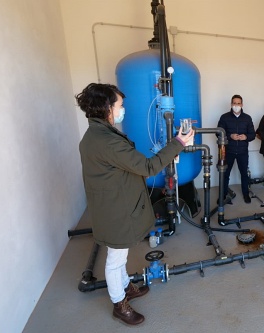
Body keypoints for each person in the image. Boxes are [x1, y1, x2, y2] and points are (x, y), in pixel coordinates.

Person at [77, 83, 194, 325]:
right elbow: (148, 167)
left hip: (113, 202)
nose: (123, 109)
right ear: (107, 108)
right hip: (115, 208)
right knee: (115, 258)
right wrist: (178, 143)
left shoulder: (97, 134)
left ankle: (126, 287)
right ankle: (119, 303)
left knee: (119, 252)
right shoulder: (107, 141)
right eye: (120, 105)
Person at [217, 94, 256, 203]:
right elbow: (218, 133)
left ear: (242, 104)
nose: (236, 105)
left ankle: (246, 194)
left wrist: (246, 137)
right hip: (228, 151)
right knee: (225, 174)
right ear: (231, 104)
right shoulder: (224, 117)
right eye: (234, 103)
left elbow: (252, 134)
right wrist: (230, 136)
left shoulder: (247, 118)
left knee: (244, 174)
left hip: (243, 151)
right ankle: (222, 195)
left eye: (238, 103)